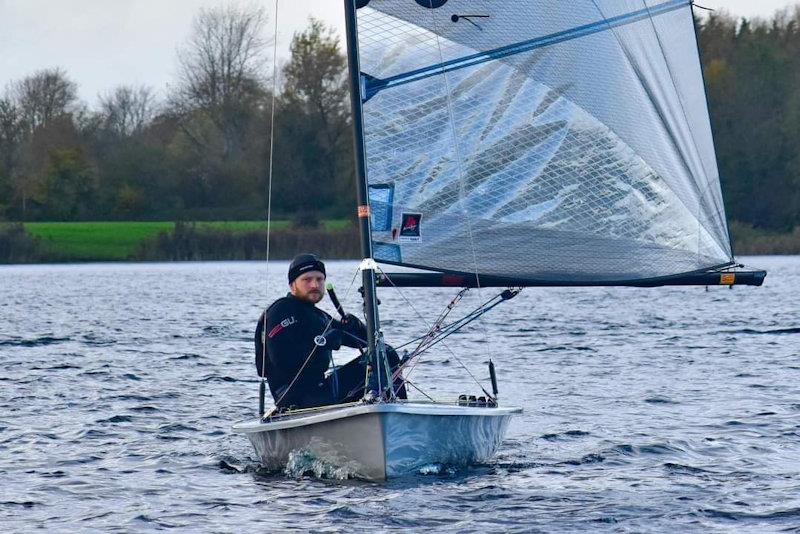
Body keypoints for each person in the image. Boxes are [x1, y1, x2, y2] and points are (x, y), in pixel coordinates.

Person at [255, 253, 406, 410]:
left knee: (385, 354)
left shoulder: (319, 316)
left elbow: (368, 342)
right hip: (295, 398)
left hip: (322, 391)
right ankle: (391, 410)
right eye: (307, 280)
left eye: (319, 279)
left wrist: (357, 326)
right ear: (292, 285)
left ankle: (397, 414)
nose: (314, 285)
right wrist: (324, 343)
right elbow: (282, 361)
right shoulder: (280, 311)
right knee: (385, 356)